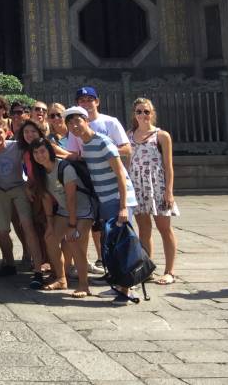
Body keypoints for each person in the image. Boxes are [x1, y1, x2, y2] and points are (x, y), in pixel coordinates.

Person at [65, 105, 139, 304]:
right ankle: (121, 285)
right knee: (112, 244)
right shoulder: (85, 144)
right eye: (70, 123)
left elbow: (121, 175)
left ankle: (127, 290)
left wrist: (123, 206)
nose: (74, 126)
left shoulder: (103, 141)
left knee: (122, 244)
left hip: (118, 198)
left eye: (77, 121)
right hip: (105, 200)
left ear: (86, 120)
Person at [0, 119, 45, 288]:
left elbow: (33, 156)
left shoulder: (16, 146)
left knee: (28, 227)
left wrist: (30, 184)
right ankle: (9, 263)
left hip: (18, 188)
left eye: (0, 132)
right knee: (1, 230)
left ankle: (38, 270)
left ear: (6, 133)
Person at [27, 138, 97, 297]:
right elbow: (45, 199)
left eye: (42, 151)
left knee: (75, 242)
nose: (39, 155)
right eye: (35, 152)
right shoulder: (40, 172)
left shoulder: (64, 168)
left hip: (84, 209)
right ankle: (61, 278)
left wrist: (72, 226)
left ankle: (83, 285)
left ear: (50, 151)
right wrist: (50, 224)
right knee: (50, 238)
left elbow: (71, 198)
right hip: (65, 210)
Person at [128, 97, 179, 285]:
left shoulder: (162, 136)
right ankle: (146, 268)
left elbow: (168, 166)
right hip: (137, 186)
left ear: (152, 113)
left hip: (157, 185)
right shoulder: (129, 135)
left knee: (164, 228)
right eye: (139, 111)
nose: (143, 115)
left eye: (146, 111)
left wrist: (169, 191)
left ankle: (170, 271)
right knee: (144, 229)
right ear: (134, 115)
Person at [76, 87, 132, 158]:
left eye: (90, 100)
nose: (86, 104)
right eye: (82, 101)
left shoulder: (111, 122)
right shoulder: (75, 126)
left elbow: (127, 149)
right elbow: (73, 153)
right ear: (78, 104)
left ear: (97, 102)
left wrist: (103, 151)